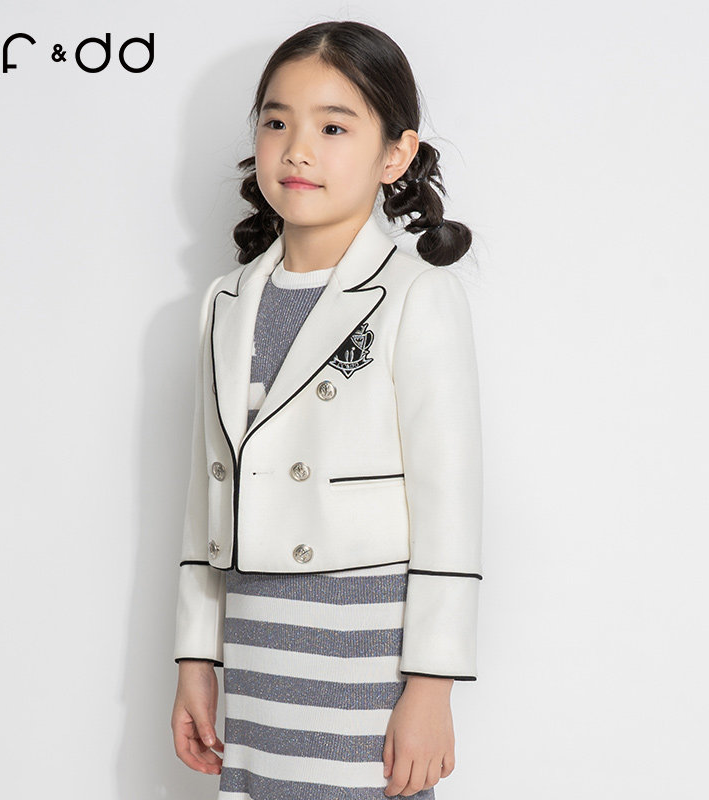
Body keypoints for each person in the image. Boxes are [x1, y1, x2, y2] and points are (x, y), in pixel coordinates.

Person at [170, 19, 483, 799]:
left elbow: (449, 501)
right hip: (255, 638)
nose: (297, 149)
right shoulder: (226, 301)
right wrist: (195, 657)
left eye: (333, 127)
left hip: (367, 643)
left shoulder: (418, 296)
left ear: (395, 155)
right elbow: (209, 489)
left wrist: (432, 686)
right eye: (277, 122)